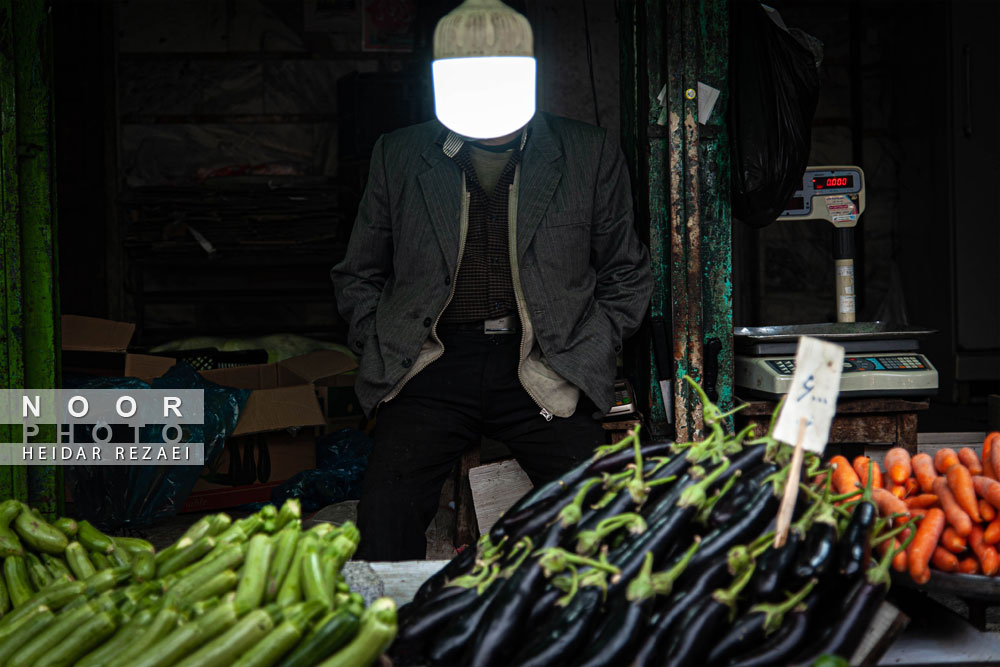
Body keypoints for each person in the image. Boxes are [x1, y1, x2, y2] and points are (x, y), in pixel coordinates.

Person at [331, 3, 652, 562]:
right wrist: (384, 344)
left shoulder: (586, 151)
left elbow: (626, 272)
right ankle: (400, 641)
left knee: (599, 521)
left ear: (525, 76)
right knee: (385, 515)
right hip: (430, 362)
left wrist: (591, 349)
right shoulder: (401, 154)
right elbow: (358, 273)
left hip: (545, 361)